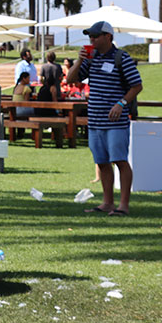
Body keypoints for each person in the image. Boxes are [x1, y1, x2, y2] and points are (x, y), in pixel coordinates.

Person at [67, 21, 142, 216]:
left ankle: (123, 205)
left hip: (116, 122)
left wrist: (121, 104)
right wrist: (79, 61)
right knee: (101, 162)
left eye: (95, 36)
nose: (91, 39)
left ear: (108, 37)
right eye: (90, 36)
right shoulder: (91, 59)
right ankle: (107, 203)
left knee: (119, 161)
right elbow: (70, 80)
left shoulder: (121, 58)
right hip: (95, 121)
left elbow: (136, 85)